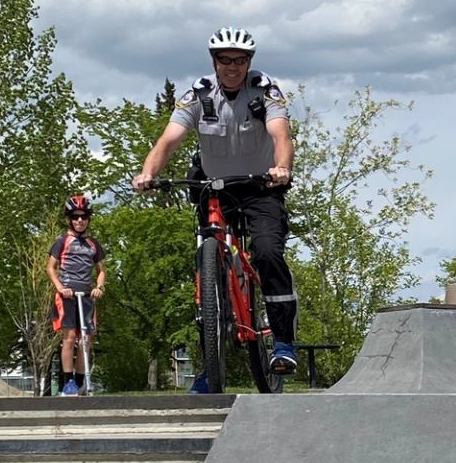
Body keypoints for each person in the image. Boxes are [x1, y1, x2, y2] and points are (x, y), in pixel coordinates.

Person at [133, 27, 299, 382]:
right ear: (214, 61)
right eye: (225, 60)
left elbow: (281, 134)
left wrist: (282, 167)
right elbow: (168, 140)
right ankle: (211, 364)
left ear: (249, 62)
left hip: (261, 186)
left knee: (268, 253)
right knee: (206, 270)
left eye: (240, 60)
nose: (233, 67)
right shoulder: (198, 94)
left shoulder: (264, 89)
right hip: (215, 187)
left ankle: (283, 343)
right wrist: (147, 173)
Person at [47, 193, 105, 396]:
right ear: (69, 219)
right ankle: (68, 382)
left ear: (88, 218)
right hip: (67, 295)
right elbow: (51, 268)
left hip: (87, 294)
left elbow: (101, 271)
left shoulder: (93, 244)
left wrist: (99, 287)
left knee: (87, 339)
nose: (79, 220)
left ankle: (81, 382)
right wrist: (60, 287)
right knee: (70, 337)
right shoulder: (62, 240)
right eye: (75, 217)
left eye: (83, 217)